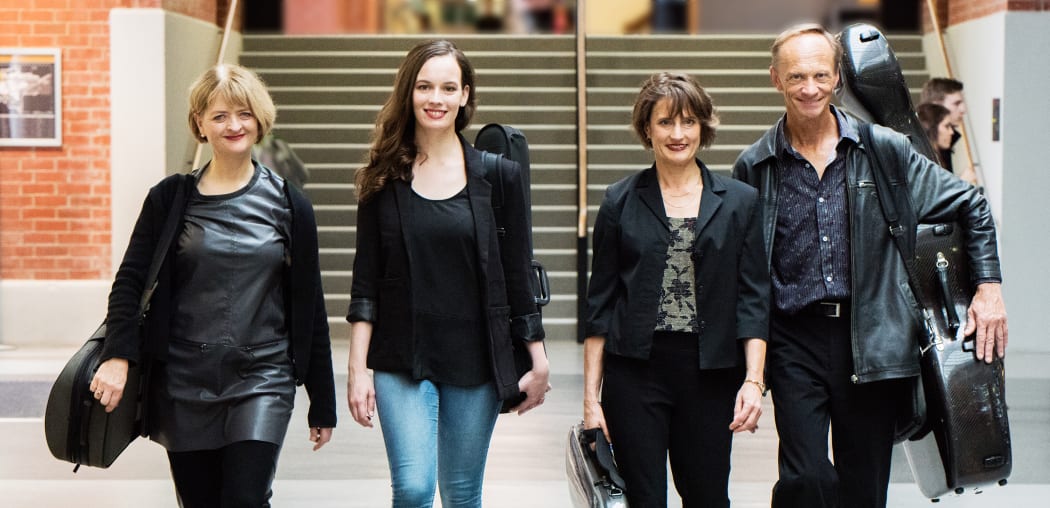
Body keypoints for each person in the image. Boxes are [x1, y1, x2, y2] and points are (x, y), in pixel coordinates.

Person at [732, 24, 1008, 508]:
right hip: (795, 341)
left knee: (864, 488)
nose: (810, 88)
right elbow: (748, 268)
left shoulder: (884, 151)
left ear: (838, 77)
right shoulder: (756, 166)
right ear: (776, 79)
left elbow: (971, 205)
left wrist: (988, 289)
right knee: (806, 478)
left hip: (875, 340)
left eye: (821, 74)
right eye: (797, 76)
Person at [90, 63, 337, 507]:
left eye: (243, 113)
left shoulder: (290, 204)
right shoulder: (169, 199)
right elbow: (130, 281)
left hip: (262, 377)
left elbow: (309, 305)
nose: (233, 125)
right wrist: (118, 355)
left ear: (259, 120)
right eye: (219, 115)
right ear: (199, 124)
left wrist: (322, 401)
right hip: (184, 380)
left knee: (246, 499)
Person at [345, 39, 550, 508]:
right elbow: (365, 282)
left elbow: (519, 272)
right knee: (414, 489)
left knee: (460, 493)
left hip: (475, 357)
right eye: (424, 86)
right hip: (401, 356)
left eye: (447, 87)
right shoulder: (382, 177)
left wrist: (536, 356)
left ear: (464, 96)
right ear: (408, 93)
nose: (435, 98)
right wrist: (358, 369)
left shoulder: (499, 176)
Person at [584, 72, 770, 507]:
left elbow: (754, 297)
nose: (678, 134)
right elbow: (600, 308)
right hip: (635, 374)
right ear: (646, 129)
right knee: (643, 498)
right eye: (665, 122)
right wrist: (592, 401)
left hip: (710, 374)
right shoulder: (619, 200)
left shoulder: (740, 201)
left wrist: (753, 381)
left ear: (704, 127)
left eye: (688, 122)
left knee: (707, 496)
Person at [920, 77, 977, 184]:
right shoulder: (920, 148)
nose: (963, 109)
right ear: (935, 105)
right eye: (956, 103)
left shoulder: (942, 141)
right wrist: (960, 183)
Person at [916, 102, 954, 166]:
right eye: (947, 126)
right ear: (931, 127)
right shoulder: (923, 163)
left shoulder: (938, 157)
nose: (951, 132)